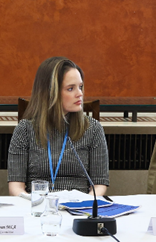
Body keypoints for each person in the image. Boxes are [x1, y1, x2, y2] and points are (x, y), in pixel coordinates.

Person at [8, 56, 109, 196]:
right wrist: (36, 203)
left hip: (79, 208)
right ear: (50, 93)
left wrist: (84, 205)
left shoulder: (93, 128)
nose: (79, 94)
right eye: (70, 89)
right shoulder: (25, 130)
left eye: (80, 87)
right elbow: (15, 188)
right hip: (39, 207)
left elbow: (99, 184)